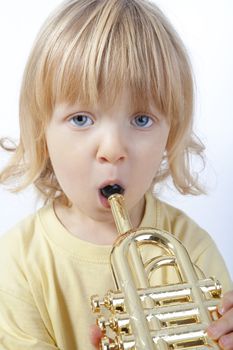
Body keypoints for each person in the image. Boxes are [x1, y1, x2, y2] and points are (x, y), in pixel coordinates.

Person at [0, 0, 232, 349]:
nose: (112, 149)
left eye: (141, 119)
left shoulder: (191, 248)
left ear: (170, 135)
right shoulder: (16, 262)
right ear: (41, 133)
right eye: (81, 119)